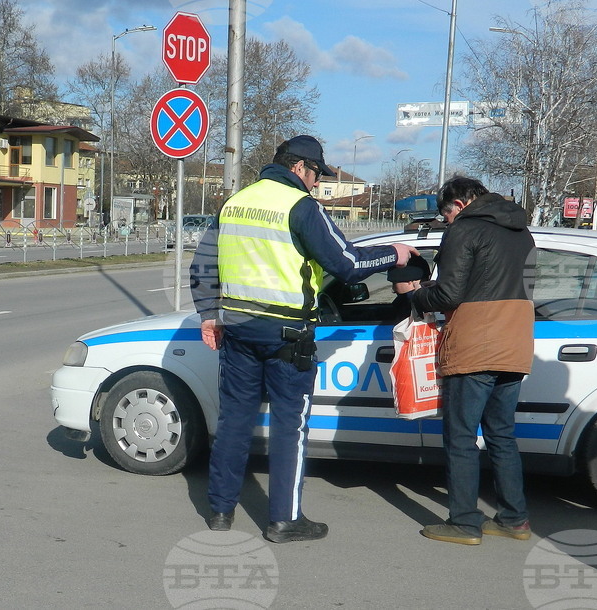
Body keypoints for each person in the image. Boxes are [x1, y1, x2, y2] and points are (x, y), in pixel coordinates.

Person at [189, 135, 419, 543]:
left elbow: (204, 264)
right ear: (300, 168)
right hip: (287, 335)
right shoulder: (300, 207)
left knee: (234, 422)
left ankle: (221, 511)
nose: (316, 184)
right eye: (316, 175)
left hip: (239, 331)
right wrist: (393, 253)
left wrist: (210, 315)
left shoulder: (235, 202)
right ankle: (284, 520)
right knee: (289, 427)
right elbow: (346, 266)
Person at [409, 176, 535, 546]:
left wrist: (417, 296)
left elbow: (450, 293)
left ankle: (464, 522)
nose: (446, 221)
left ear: (460, 205)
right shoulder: (522, 231)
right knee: (502, 435)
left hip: (476, 344)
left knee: (461, 437)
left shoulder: (465, 230)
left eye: (446, 213)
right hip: (516, 341)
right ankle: (514, 518)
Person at [382, 254, 431, 322]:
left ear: (410, 281)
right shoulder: (425, 299)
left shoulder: (414, 304)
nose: (393, 288)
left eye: (394, 283)